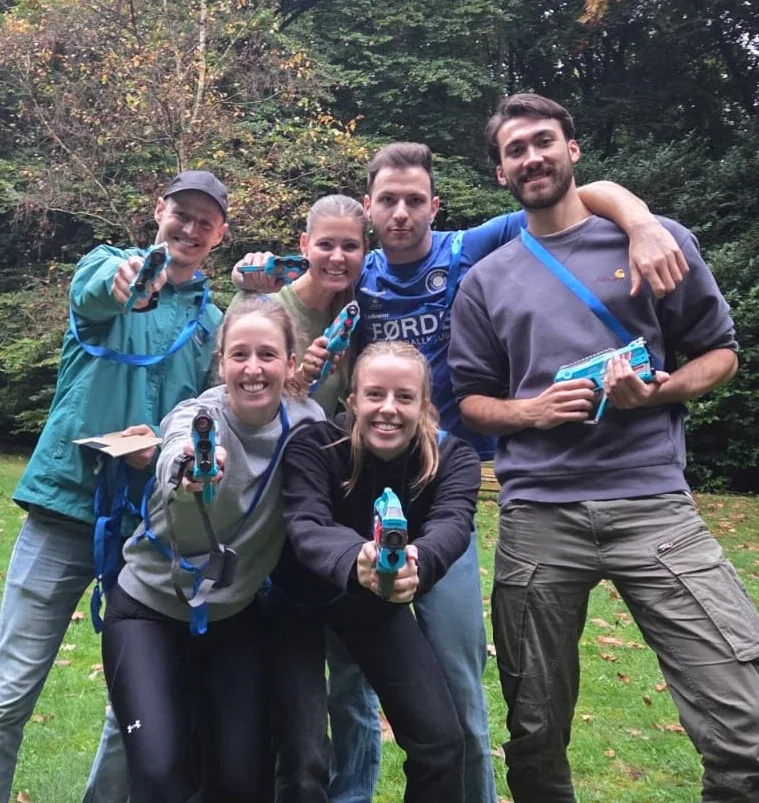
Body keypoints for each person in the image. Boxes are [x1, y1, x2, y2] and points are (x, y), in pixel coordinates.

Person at [233, 146, 691, 803]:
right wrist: (250, 276)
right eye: (387, 201)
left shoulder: (465, 248)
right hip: (357, 489)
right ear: (369, 208)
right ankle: (350, 793)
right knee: (348, 686)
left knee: (456, 683)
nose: (400, 212)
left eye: (413, 200)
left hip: (441, 478)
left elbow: (568, 197)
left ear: (434, 206)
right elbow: (295, 282)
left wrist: (641, 222)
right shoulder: (355, 277)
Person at [448, 92, 759, 802]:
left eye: (543, 141)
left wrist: (657, 393)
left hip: (653, 506)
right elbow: (470, 399)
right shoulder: (485, 282)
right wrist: (529, 411)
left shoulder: (654, 240)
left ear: (572, 149)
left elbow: (720, 353)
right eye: (515, 150)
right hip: (538, 516)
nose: (531, 157)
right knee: (534, 736)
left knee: (743, 721)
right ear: (500, 172)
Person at [0, 170, 229, 803]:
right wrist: (127, 280)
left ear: (219, 235)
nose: (190, 228)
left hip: (148, 530)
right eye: (181, 213)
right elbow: (98, 291)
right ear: (158, 211)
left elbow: (211, 411)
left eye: (205, 221)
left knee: (134, 714)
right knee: (8, 692)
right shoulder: (108, 264)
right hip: (65, 505)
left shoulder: (212, 321)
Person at [102, 295, 325, 802]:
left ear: (291, 363)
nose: (253, 368)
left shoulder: (307, 424)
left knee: (242, 782)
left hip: (231, 619)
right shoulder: (198, 415)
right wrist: (188, 468)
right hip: (147, 613)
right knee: (160, 774)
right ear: (221, 362)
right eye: (239, 354)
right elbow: (177, 446)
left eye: (267, 355)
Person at [271, 340, 481, 803]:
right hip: (294, 602)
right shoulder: (314, 444)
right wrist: (358, 558)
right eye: (374, 394)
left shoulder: (455, 459)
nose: (388, 409)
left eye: (404, 397)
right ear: (352, 400)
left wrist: (417, 562)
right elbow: (307, 523)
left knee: (441, 743)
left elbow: (452, 523)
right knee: (303, 759)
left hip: (373, 603)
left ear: (424, 407)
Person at [233, 193, 368, 416]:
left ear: (365, 249)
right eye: (325, 245)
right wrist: (302, 377)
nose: (337, 257)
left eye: (350, 246)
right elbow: (226, 398)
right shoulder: (262, 305)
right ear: (304, 245)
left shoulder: (352, 317)